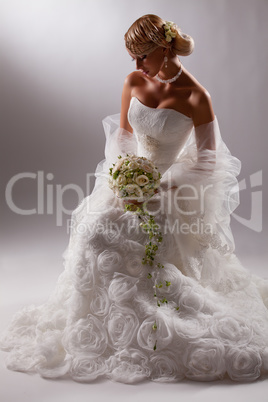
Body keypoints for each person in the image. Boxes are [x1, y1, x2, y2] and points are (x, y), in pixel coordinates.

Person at [0, 14, 268, 384]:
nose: (136, 65)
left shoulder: (195, 96)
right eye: (133, 58)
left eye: (141, 56)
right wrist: (125, 172)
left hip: (167, 189)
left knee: (135, 247)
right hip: (128, 179)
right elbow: (123, 135)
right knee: (94, 230)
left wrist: (161, 184)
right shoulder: (133, 81)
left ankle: (145, 315)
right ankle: (93, 318)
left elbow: (209, 160)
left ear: (163, 49)